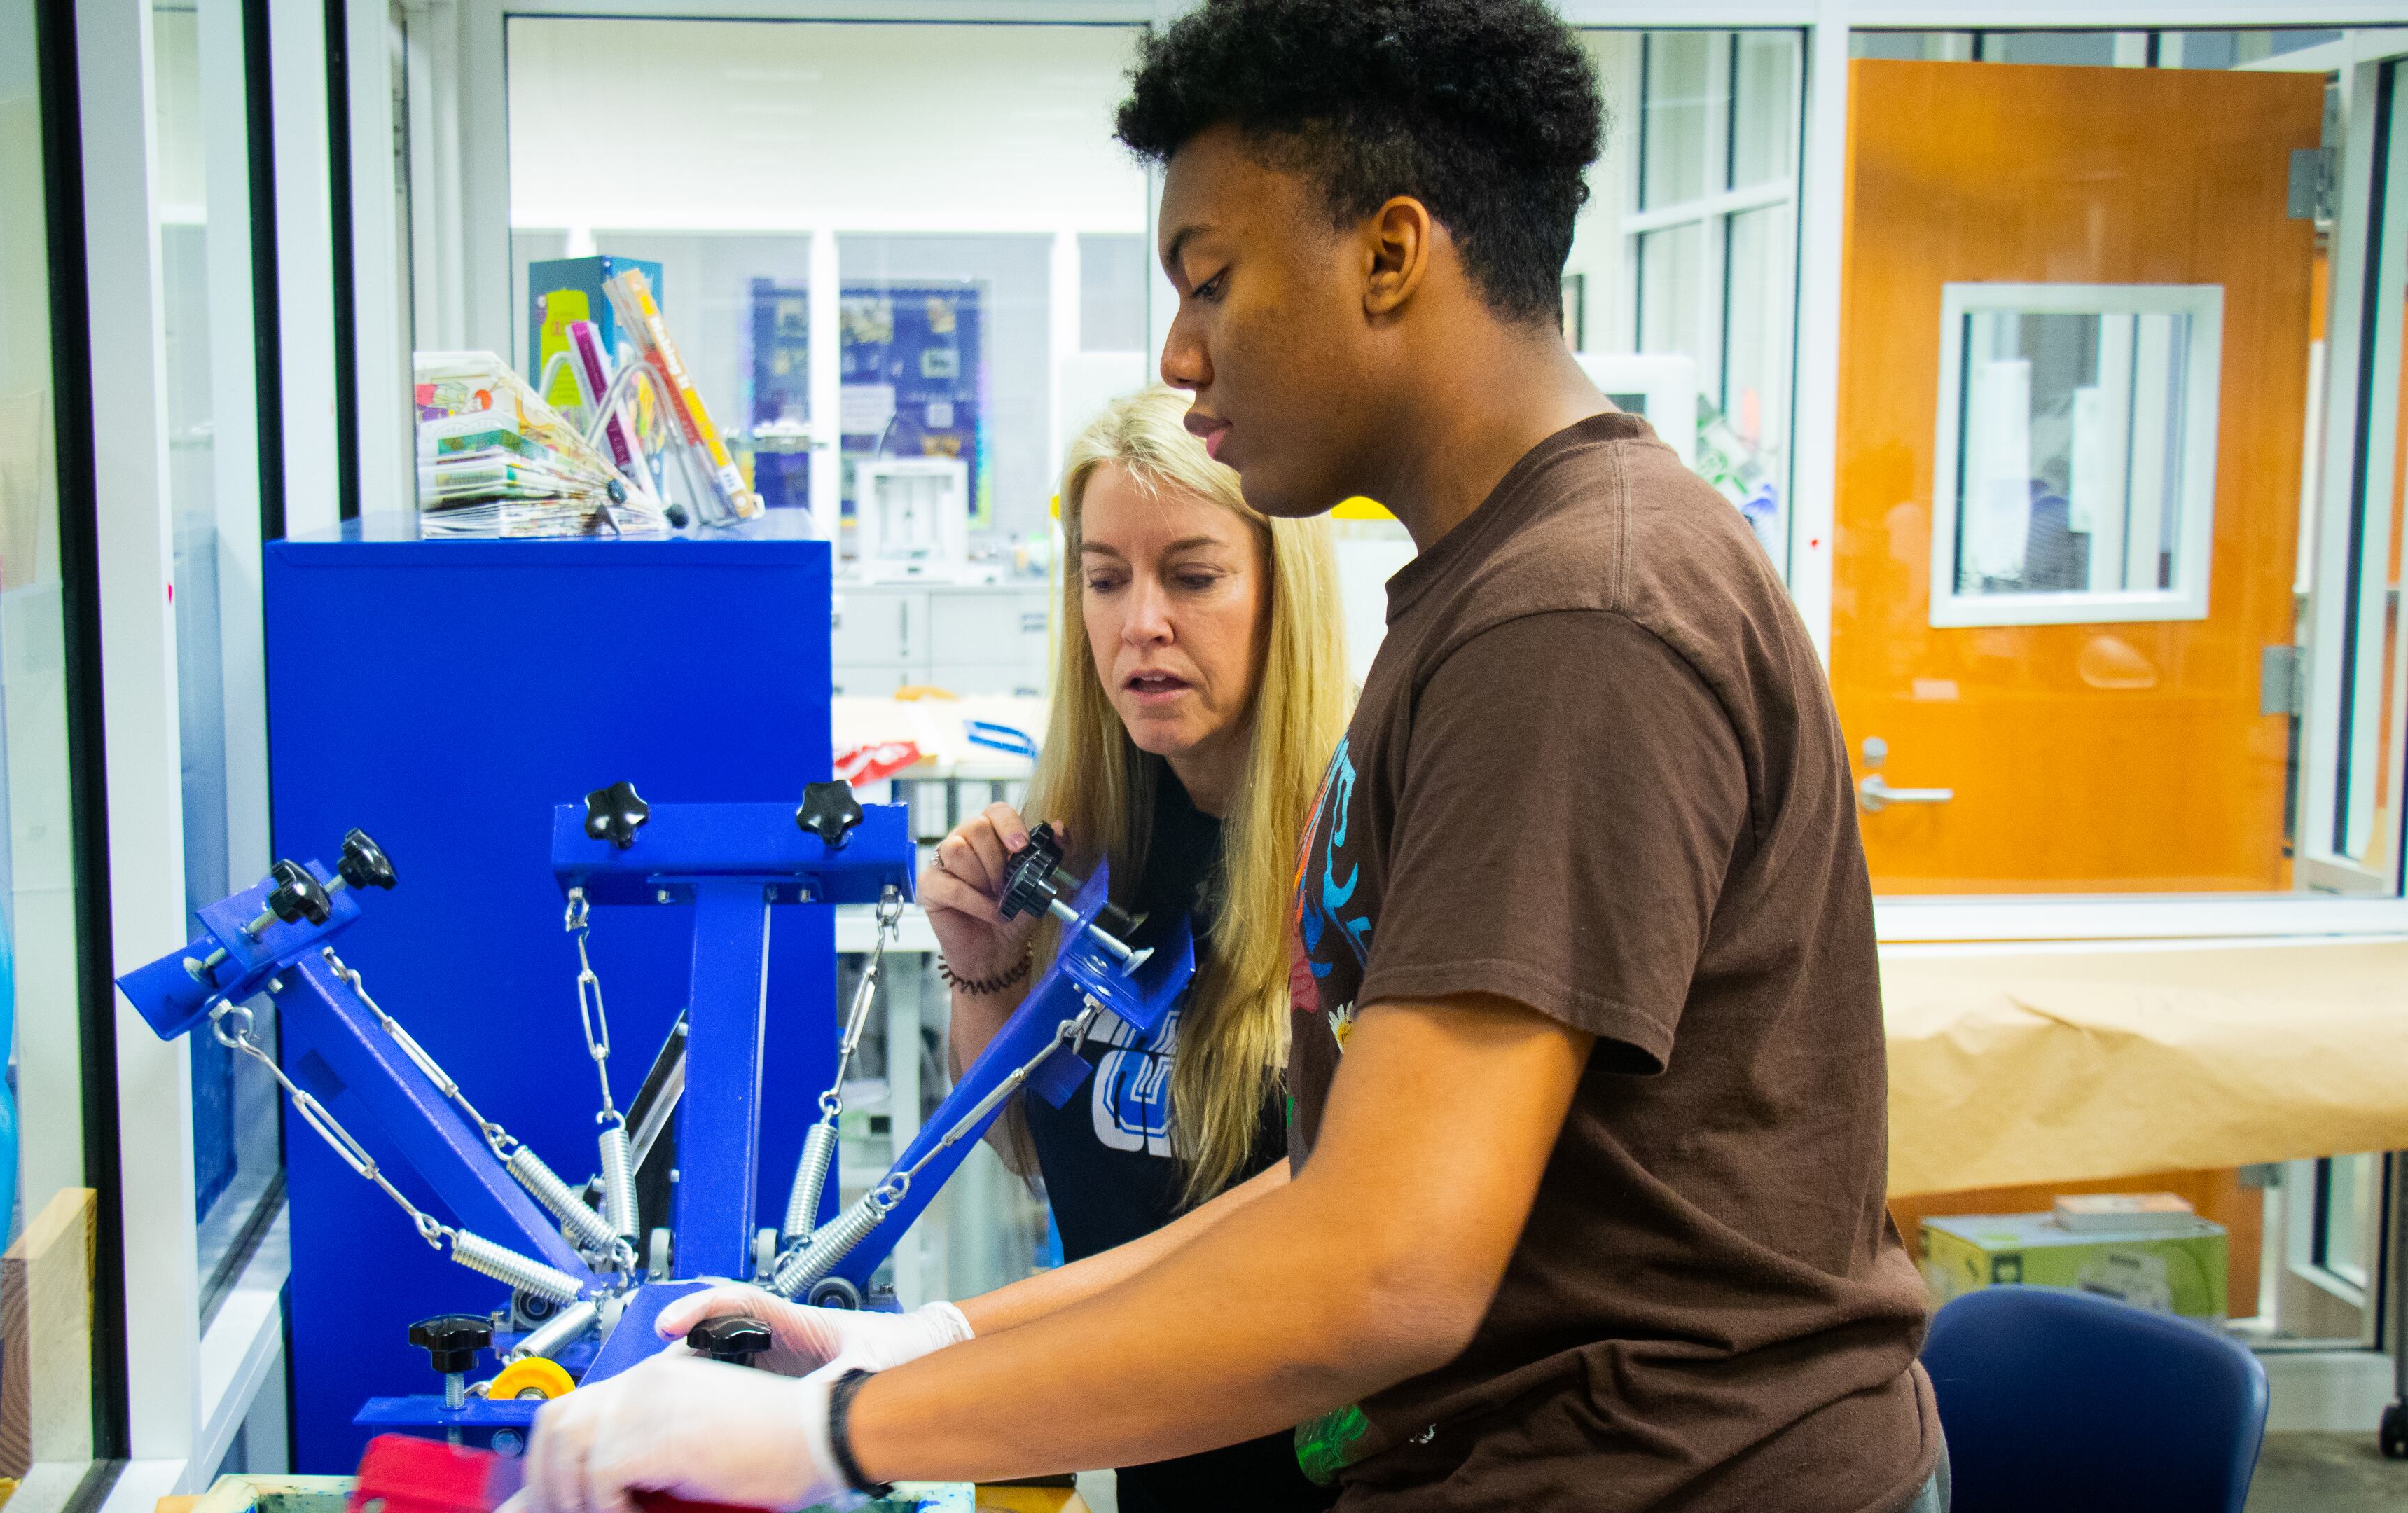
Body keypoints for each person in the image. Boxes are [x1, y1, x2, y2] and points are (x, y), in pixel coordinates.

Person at [526, 3, 1949, 1510]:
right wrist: (914, 1345)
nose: (1179, 346)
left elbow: (1385, 1272)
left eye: (1214, 278)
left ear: (1390, 257)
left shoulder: (1574, 619)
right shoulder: (1494, 592)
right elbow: (1337, 1192)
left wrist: (833, 1440)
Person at [927, 386, 1347, 1513]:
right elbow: (1022, 1139)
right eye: (1105, 579)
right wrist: (987, 964)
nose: (1139, 622)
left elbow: (1331, 1226)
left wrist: (957, 1354)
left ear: (1280, 596)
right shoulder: (1096, 846)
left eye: (1193, 576)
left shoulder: (1359, 862)